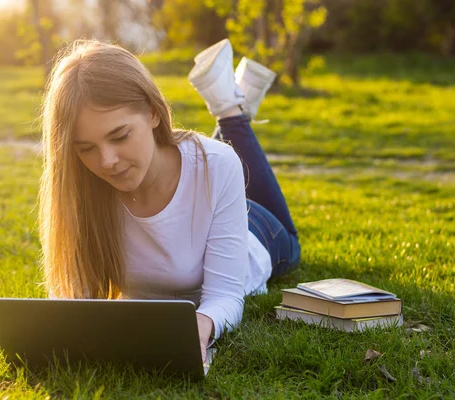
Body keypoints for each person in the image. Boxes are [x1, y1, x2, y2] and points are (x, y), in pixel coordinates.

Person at [38, 39, 300, 362]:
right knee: (207, 163)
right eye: (86, 148)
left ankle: (231, 110)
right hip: (194, 177)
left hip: (258, 233)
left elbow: (224, 296)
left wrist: (199, 328)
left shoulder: (217, 166)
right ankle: (238, 98)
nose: (106, 161)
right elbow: (75, 302)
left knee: (279, 226)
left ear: (152, 112)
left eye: (119, 136)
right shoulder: (83, 185)